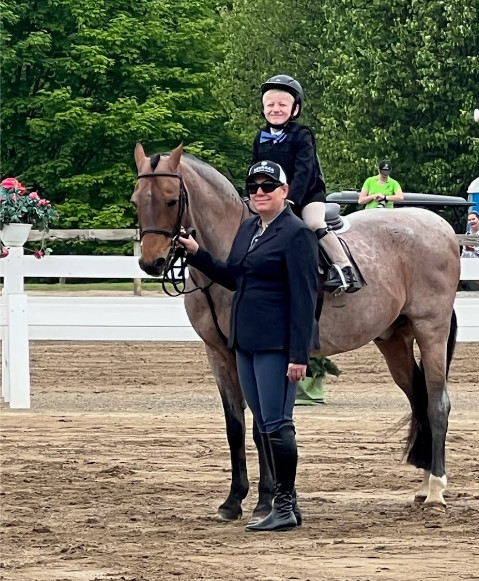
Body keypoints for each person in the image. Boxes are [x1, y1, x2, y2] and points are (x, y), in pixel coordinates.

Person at [178, 161, 319, 532]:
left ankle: (284, 504)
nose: (260, 192)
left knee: (276, 423)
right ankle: (286, 503)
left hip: (276, 344)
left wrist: (299, 355)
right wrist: (196, 253)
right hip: (246, 342)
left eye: (268, 186)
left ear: (284, 192)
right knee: (264, 422)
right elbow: (234, 277)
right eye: (254, 186)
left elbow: (305, 300)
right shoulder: (248, 230)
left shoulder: (297, 234)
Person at [252, 74, 361, 293]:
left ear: (295, 109)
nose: (275, 109)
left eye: (282, 104)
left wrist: (290, 199)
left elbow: (304, 171)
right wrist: (254, 193)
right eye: (270, 104)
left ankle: (344, 268)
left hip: (307, 195)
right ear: (263, 109)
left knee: (313, 224)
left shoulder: (303, 135)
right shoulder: (260, 137)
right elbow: (255, 170)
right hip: (272, 197)